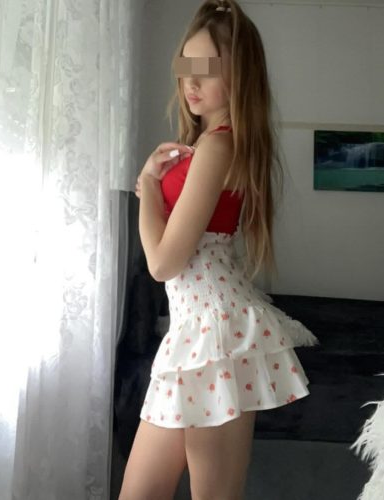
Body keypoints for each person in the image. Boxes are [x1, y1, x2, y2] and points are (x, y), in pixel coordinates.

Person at [119, 1, 319, 498]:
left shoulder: (219, 146)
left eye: (207, 68)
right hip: (195, 334)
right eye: (187, 65)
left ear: (240, 75)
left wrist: (148, 184)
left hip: (215, 335)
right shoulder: (209, 143)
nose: (191, 80)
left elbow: (163, 263)